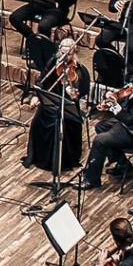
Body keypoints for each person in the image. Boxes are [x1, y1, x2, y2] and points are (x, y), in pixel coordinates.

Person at [24, 46, 89, 174]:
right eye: (62, 52)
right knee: (37, 122)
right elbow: (42, 79)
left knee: (60, 125)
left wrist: (71, 91)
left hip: (68, 105)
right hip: (51, 100)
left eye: (68, 54)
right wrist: (36, 95)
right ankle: (39, 157)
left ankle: (60, 161)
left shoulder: (79, 70)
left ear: (74, 54)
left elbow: (81, 91)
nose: (64, 57)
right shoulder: (54, 62)